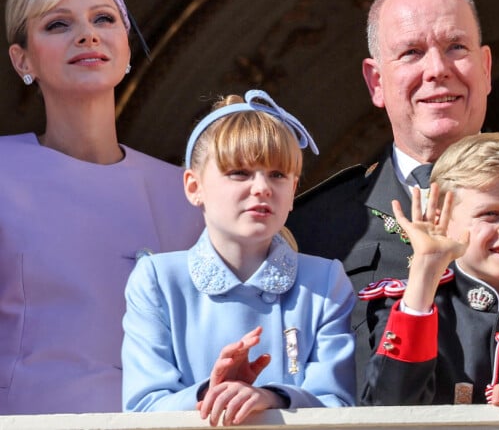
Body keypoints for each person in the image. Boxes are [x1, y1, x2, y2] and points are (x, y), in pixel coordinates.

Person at [286, 0, 499, 400]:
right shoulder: (316, 227)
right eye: (411, 53)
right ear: (376, 82)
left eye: (456, 48)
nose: (437, 70)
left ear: (485, 68)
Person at [0, 0, 205, 414]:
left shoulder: (188, 193)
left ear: (125, 45)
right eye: (58, 24)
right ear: (22, 60)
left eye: (104, 19)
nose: (87, 35)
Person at [121, 89, 356, 425]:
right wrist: (211, 392)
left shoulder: (325, 281)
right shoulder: (157, 279)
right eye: (240, 173)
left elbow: (338, 404)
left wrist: (270, 397)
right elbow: (142, 409)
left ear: (293, 191)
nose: (261, 187)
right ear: (193, 186)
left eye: (278, 174)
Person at [361, 132, 499, 409]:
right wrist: (424, 276)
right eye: (490, 214)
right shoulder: (411, 305)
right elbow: (387, 406)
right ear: (443, 219)